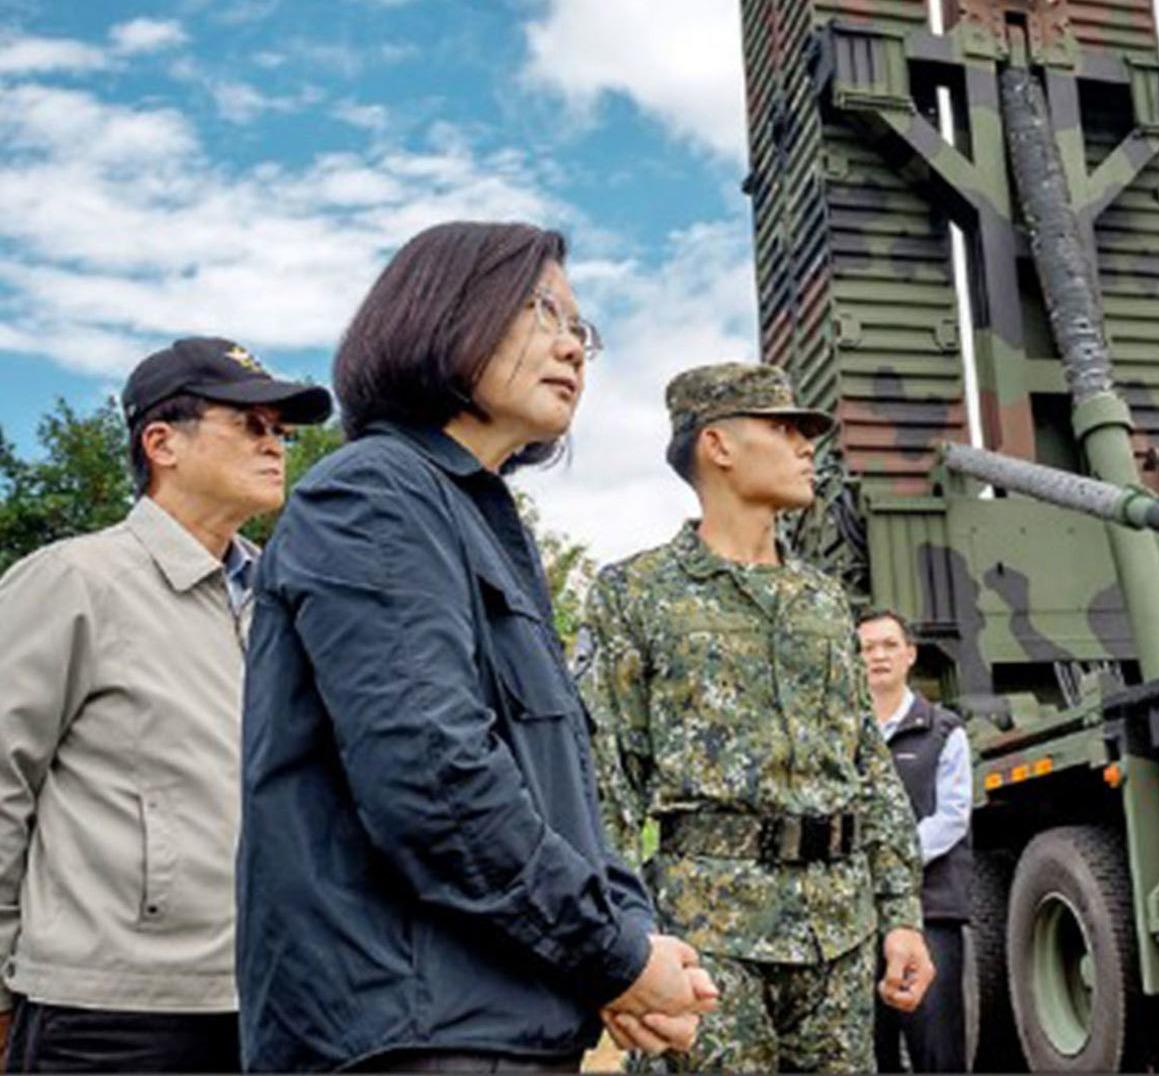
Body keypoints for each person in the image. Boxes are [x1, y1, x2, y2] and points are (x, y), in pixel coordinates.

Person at [237, 221, 716, 1073]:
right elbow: (434, 779)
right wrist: (613, 955)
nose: (574, 345)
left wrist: (629, 937)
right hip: (411, 1032)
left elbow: (560, 788)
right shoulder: (373, 494)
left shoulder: (486, 525)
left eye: (584, 331)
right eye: (547, 310)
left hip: (502, 1020)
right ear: (447, 311)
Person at [579, 362, 933, 1073]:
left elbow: (866, 764)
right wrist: (620, 941)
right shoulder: (636, 595)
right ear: (718, 445)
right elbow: (604, 782)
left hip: (839, 932)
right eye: (784, 428)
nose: (808, 446)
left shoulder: (825, 602)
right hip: (708, 939)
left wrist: (900, 914)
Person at [0, 338, 331, 1072]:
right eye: (250, 424)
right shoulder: (73, 582)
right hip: (107, 1014)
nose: (274, 445)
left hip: (269, 1003)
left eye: (281, 430)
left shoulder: (283, 601)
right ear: (161, 443)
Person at [855, 610, 972, 1074]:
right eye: (866, 649)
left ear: (910, 654)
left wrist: (887, 860)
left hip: (930, 912)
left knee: (935, 1049)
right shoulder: (838, 735)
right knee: (868, 1050)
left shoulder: (944, 731)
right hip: (856, 919)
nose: (878, 656)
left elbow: (952, 817)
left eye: (888, 645)